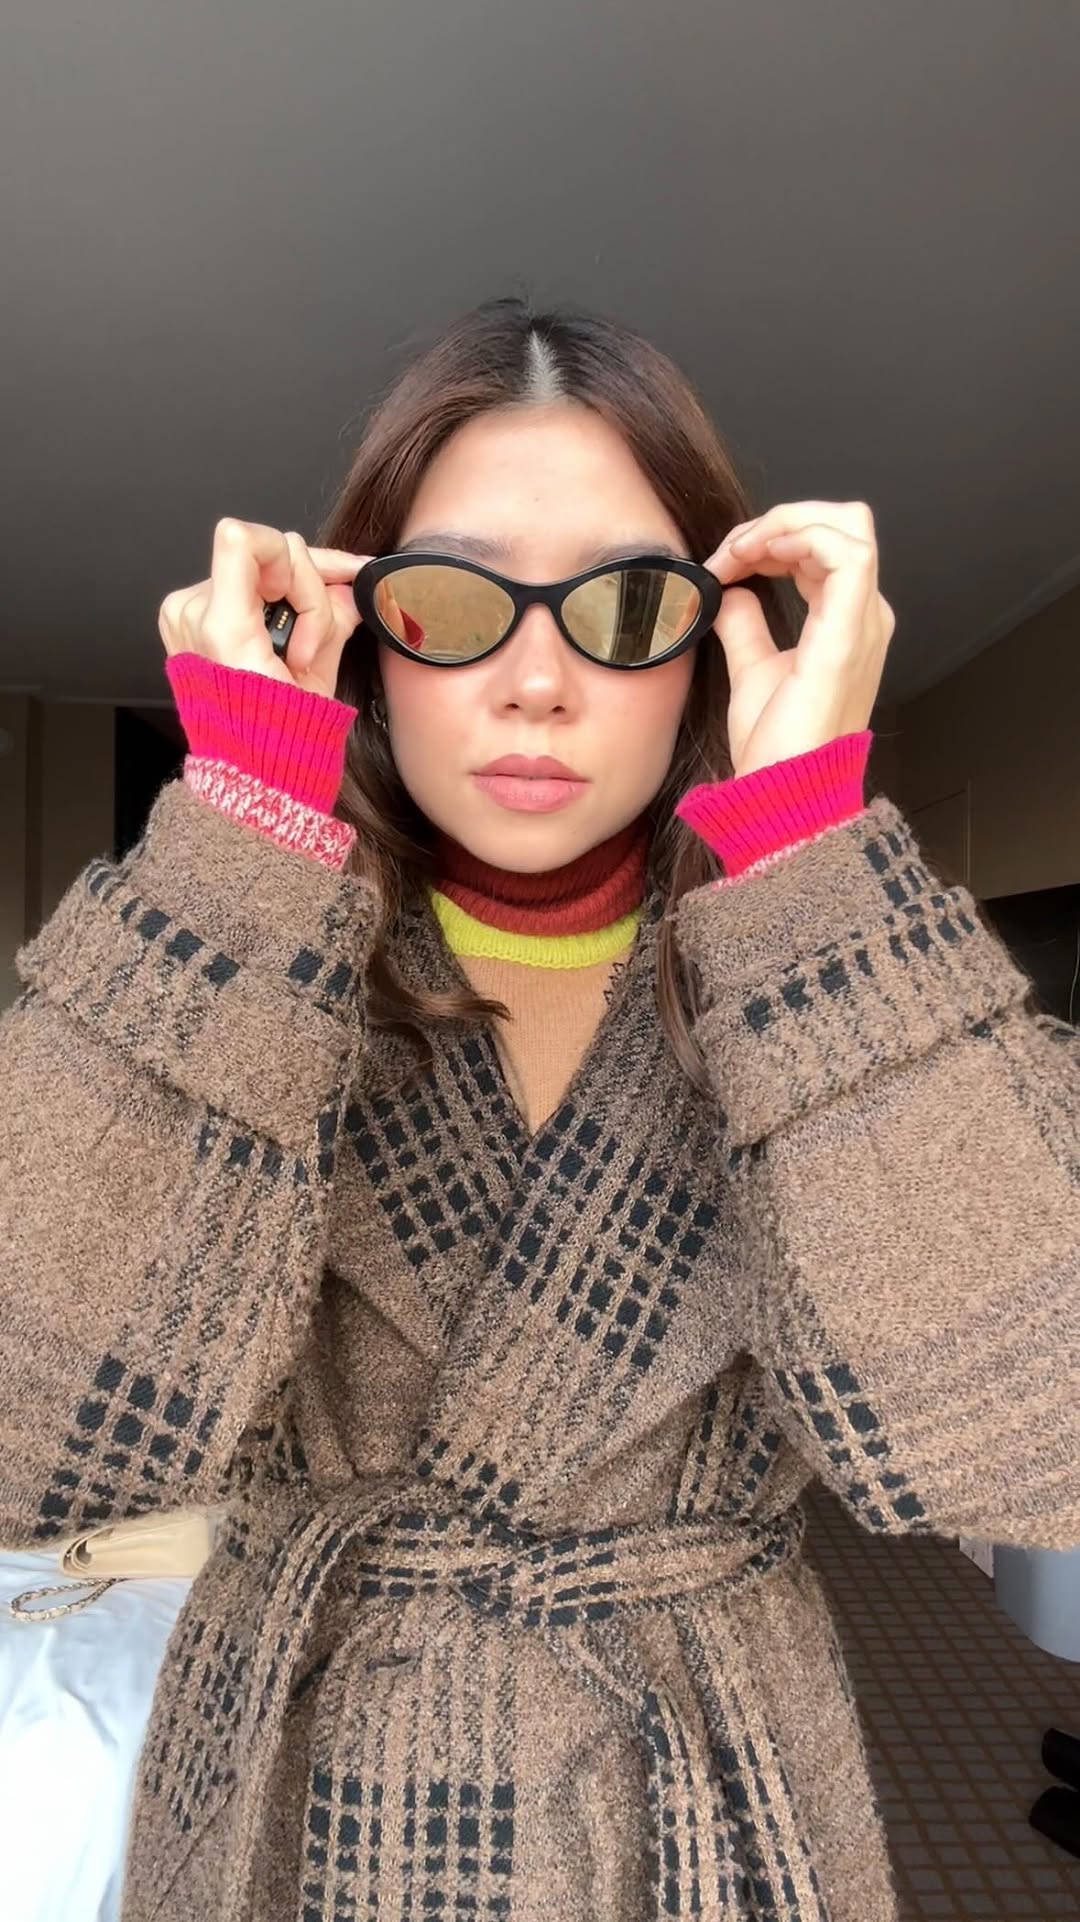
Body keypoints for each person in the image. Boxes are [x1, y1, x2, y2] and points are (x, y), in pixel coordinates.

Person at [1, 295, 1076, 1922]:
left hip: (702, 1788)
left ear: (713, 639)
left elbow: (1042, 1432)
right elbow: (33, 1432)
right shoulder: (246, 958)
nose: (535, 681)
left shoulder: (814, 971)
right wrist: (239, 839)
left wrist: (806, 848)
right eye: (452, 601)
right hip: (301, 1776)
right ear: (372, 633)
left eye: (626, 605)